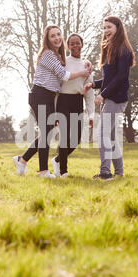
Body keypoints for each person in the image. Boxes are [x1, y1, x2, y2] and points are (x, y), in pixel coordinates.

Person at [13, 25, 91, 178]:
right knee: (47, 132)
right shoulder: (48, 54)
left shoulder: (57, 56)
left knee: (47, 132)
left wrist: (86, 62)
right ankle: (42, 171)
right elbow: (64, 75)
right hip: (40, 95)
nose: (56, 38)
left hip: (49, 97)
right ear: (47, 40)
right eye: (52, 36)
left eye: (58, 35)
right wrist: (83, 72)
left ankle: (22, 160)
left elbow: (69, 67)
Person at [84, 16, 135, 180]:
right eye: (104, 28)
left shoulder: (123, 50)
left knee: (102, 134)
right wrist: (93, 85)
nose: (106, 31)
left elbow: (121, 78)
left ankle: (105, 173)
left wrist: (102, 95)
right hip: (111, 98)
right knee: (111, 138)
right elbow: (108, 79)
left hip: (116, 99)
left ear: (118, 28)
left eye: (109, 27)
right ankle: (119, 173)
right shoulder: (110, 48)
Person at [51, 33, 95, 178]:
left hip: (77, 101)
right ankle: (63, 171)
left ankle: (57, 159)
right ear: (68, 46)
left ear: (82, 44)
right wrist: (55, 108)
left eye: (78, 43)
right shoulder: (63, 62)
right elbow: (56, 85)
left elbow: (89, 92)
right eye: (72, 44)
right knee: (64, 137)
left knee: (75, 139)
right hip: (63, 100)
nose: (75, 46)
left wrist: (91, 113)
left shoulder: (87, 65)